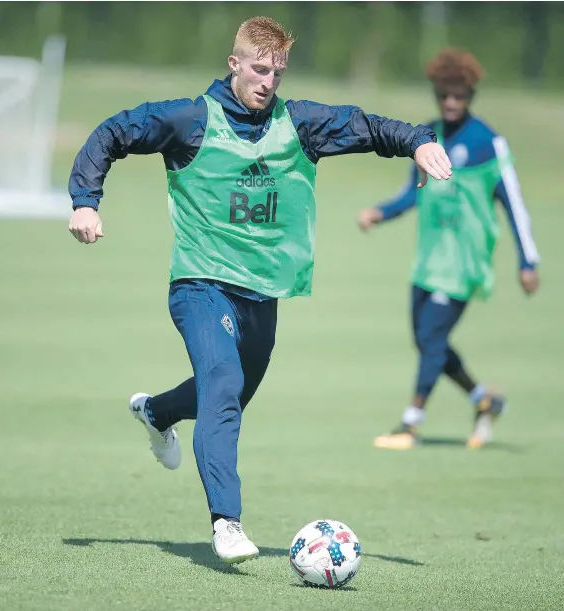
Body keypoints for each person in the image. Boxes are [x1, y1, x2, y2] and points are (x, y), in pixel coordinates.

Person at [68, 16, 452, 564]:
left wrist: (417, 141)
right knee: (222, 384)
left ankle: (156, 412)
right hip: (200, 283)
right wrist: (86, 198)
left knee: (225, 396)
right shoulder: (190, 119)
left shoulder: (298, 125)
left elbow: (365, 126)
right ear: (234, 64)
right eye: (258, 68)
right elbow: (114, 131)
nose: (267, 81)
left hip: (261, 294)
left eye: (277, 71)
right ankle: (226, 521)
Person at [357, 48, 540, 451]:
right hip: (428, 260)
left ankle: (410, 423)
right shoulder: (427, 137)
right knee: (428, 342)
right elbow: (411, 195)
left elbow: (514, 202)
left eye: (458, 96)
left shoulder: (489, 143)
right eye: (444, 95)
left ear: (470, 96)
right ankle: (484, 401)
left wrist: (528, 260)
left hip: (465, 262)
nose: (451, 103)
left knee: (432, 336)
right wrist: (380, 213)